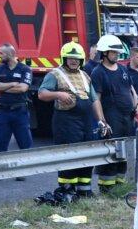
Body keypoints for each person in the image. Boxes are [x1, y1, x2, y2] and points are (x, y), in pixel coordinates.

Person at [37, 41, 108, 201]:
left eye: (76, 58)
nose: (73, 61)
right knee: (69, 156)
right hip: (66, 122)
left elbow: (94, 99)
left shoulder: (85, 75)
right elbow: (42, 94)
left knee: (87, 154)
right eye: (70, 58)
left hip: (86, 121)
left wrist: (101, 121)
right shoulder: (54, 74)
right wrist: (58, 95)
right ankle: (67, 191)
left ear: (81, 60)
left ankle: (85, 191)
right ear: (64, 58)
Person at [89, 34, 138, 188]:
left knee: (125, 154)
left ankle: (120, 188)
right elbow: (95, 98)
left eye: (117, 52)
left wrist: (136, 109)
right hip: (111, 119)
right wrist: (102, 121)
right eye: (113, 52)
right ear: (104, 53)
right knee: (112, 153)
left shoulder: (123, 69)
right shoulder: (98, 72)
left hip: (127, 118)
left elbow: (132, 91)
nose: (117, 55)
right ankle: (107, 188)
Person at [0, 44, 34, 170]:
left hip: (20, 112)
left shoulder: (25, 69)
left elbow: (23, 88)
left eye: (1, 53)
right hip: (3, 112)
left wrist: (3, 87)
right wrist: (13, 84)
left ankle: (24, 171)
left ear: (10, 54)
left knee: (25, 144)